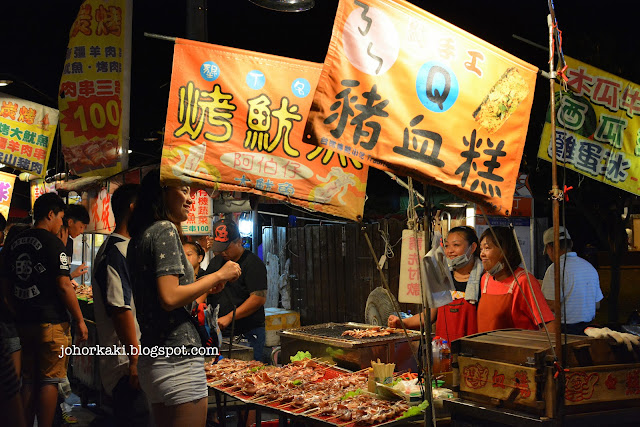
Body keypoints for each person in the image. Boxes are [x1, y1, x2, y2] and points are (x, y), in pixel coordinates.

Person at [127, 170, 241, 427]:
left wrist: (202, 286)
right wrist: (218, 275)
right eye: (183, 190)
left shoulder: (139, 237)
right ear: (162, 193)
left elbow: (164, 297)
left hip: (154, 357)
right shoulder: (165, 229)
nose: (190, 198)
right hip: (177, 359)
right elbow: (169, 297)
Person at [3, 193, 88, 427]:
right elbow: (63, 285)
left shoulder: (16, 242)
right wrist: (80, 321)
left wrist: (16, 309)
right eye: (60, 217)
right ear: (50, 215)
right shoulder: (54, 244)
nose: (61, 222)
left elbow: (5, 285)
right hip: (51, 323)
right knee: (50, 381)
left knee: (29, 380)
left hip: (23, 323)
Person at [92, 183, 150, 426]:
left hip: (126, 361)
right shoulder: (117, 251)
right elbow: (120, 308)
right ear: (134, 209)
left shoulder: (118, 248)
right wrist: (135, 361)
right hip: (125, 366)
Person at [388, 226, 482, 342]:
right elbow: (429, 316)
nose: (450, 251)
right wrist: (402, 322)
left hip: (472, 349)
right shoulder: (442, 278)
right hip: (443, 348)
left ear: (472, 247)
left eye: (456, 245)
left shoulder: (483, 280)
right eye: (447, 246)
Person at [203, 219, 268, 362]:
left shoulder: (253, 263)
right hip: (221, 332)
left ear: (239, 241)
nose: (223, 252)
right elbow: (205, 287)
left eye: (227, 247)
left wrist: (229, 317)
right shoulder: (216, 262)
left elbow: (258, 299)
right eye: (220, 248)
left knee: (250, 375)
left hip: (248, 333)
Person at [477, 226, 555, 333]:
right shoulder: (485, 280)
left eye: (487, 248)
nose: (482, 254)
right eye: (481, 249)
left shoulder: (523, 281)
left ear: (505, 250)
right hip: (487, 347)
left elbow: (549, 325)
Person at [541, 226, 603, 335]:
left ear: (550, 248)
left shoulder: (555, 269)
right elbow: (597, 304)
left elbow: (552, 305)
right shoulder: (589, 267)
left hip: (567, 331)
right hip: (590, 330)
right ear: (570, 244)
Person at [58, 204, 90, 282]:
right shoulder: (55, 241)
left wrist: (71, 277)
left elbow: (63, 276)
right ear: (70, 222)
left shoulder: (69, 243)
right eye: (81, 227)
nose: (82, 231)